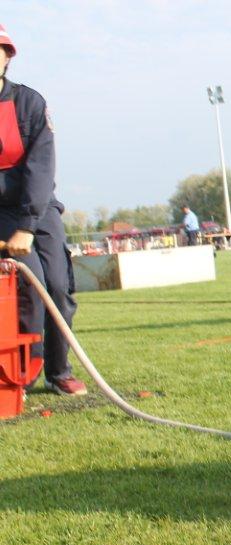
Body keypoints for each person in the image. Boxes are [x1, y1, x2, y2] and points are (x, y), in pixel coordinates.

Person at [0, 24, 86, 396]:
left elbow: (41, 165)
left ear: (8, 57)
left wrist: (28, 224)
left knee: (55, 286)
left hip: (37, 210)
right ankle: (22, 372)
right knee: (26, 291)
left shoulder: (29, 103)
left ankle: (58, 370)